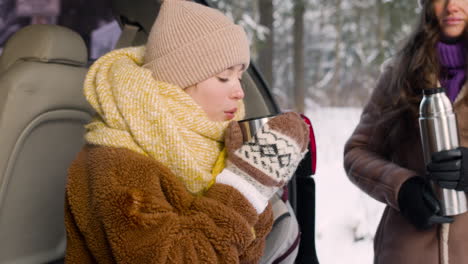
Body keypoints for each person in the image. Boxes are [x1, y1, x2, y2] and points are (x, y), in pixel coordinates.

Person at [64, 0, 310, 263]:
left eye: (239, 76)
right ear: (178, 80)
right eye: (223, 77)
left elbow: (246, 250)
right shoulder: (115, 165)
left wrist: (255, 177)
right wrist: (246, 183)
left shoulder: (212, 149)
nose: (239, 91)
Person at [344, 0, 468, 263]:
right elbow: (357, 153)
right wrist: (401, 187)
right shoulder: (399, 73)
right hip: (406, 251)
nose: (452, 6)